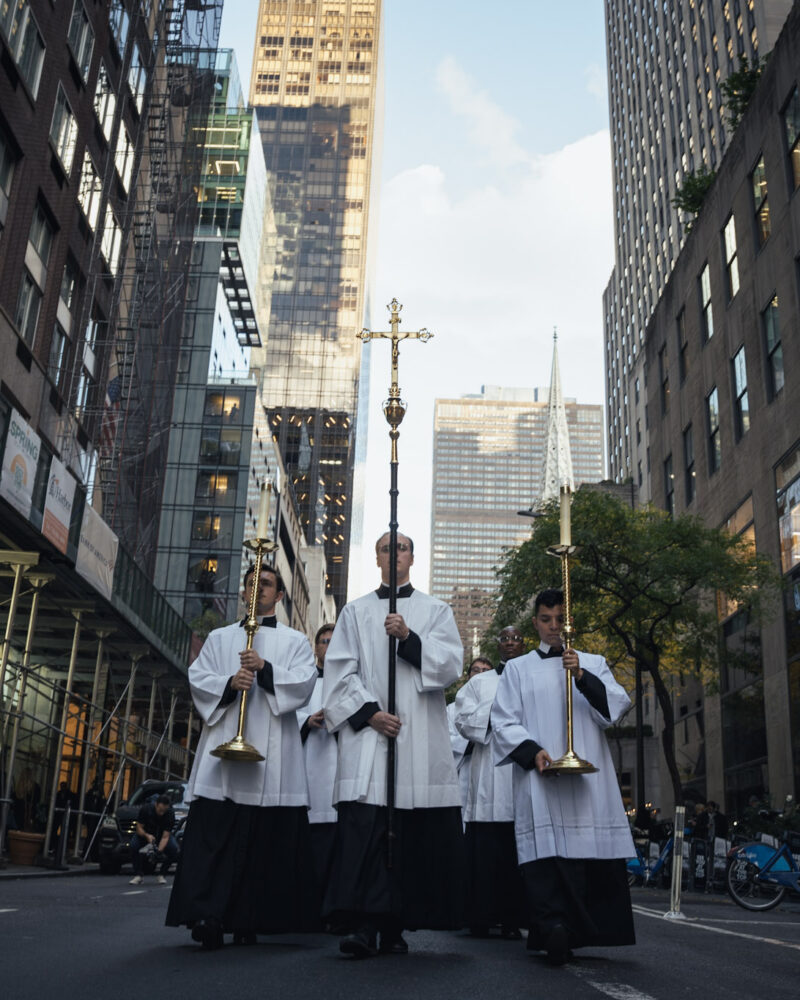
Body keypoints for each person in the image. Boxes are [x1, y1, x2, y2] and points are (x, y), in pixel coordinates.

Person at [322, 531, 465, 958]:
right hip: (371, 740)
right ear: (378, 558)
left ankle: (397, 926)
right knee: (367, 833)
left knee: (409, 838)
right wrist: (369, 714)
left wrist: (408, 638)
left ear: (412, 558)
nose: (394, 555)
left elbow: (450, 666)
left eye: (401, 548)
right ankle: (364, 924)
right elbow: (338, 673)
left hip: (418, 739)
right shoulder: (355, 612)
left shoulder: (435, 611)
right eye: (387, 548)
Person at [166, 564, 317, 950]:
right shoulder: (219, 638)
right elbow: (198, 679)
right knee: (216, 838)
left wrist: (265, 670)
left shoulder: (296, 641)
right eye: (251, 583)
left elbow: (302, 684)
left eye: (265, 584)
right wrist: (229, 684)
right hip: (223, 756)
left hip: (273, 757)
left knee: (264, 844)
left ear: (280, 595)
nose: (257, 590)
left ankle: (252, 918)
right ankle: (209, 915)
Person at [492, 588, 636, 965]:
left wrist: (583, 676)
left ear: (569, 622)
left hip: (588, 782)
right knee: (546, 854)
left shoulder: (592, 661)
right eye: (545, 619)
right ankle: (552, 927)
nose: (553, 627)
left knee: (584, 854)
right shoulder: (518, 669)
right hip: (542, 776)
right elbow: (503, 720)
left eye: (559, 619)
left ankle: (579, 928)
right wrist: (532, 751)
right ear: (535, 622)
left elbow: (615, 708)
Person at [455, 655, 523, 940]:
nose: (510, 643)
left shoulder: (524, 678)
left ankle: (511, 918)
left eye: (516, 639)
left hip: (516, 775)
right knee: (482, 855)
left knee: (512, 857)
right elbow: (461, 724)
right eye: (505, 639)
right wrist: (496, 713)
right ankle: (479, 916)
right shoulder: (476, 687)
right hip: (483, 779)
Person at [298, 622, 339, 910]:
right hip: (308, 768)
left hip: (338, 769)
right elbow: (286, 712)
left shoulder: (353, 682)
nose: (329, 646)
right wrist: (306, 720)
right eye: (324, 641)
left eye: (335, 641)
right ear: (316, 647)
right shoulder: (303, 680)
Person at [449, 657, 494, 814]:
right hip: (461, 772)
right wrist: (469, 742)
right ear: (468, 676)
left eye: (486, 671)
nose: (480, 674)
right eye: (476, 670)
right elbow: (444, 741)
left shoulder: (498, 707)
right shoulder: (450, 709)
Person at [129, 794, 178, 885]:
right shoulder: (146, 810)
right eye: (160, 810)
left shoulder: (170, 813)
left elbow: (165, 836)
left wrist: (158, 852)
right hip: (145, 833)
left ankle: (162, 874)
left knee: (174, 849)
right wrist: (147, 836)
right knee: (133, 846)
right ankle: (138, 875)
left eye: (164, 810)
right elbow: (139, 828)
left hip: (161, 835)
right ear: (156, 804)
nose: (162, 813)